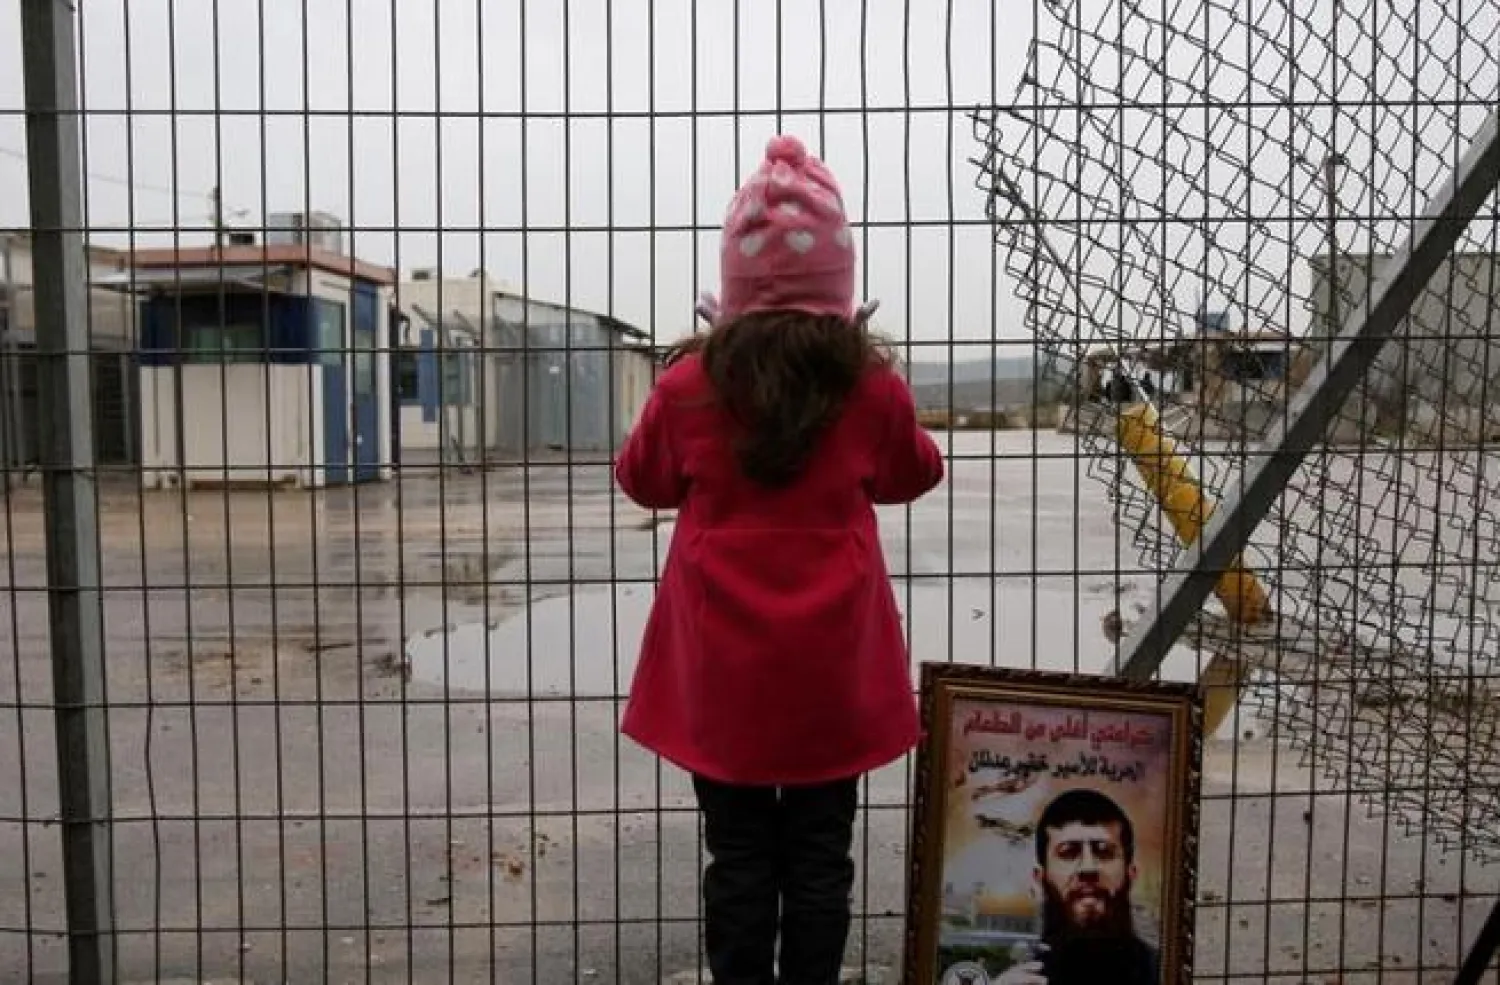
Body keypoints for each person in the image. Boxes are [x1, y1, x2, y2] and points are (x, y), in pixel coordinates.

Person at [614, 133, 945, 985]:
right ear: (840, 291)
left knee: (739, 858)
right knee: (819, 856)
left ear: (729, 291)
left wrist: (683, 373)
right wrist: (882, 380)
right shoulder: (869, 390)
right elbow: (916, 474)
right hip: (831, 675)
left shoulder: (688, 389)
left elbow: (642, 481)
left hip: (722, 675)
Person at [997, 789, 1161, 985]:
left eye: (1104, 852)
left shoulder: (1167, 972)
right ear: (1040, 879)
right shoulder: (1016, 978)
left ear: (1131, 874)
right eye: (1068, 853)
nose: (1088, 868)